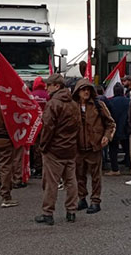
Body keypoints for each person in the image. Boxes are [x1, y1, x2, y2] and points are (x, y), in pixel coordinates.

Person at [35, 73, 81, 225]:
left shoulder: (53, 103)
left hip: (55, 148)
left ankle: (48, 213)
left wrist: (43, 146)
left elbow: (48, 127)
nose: (46, 88)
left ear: (56, 86)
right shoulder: (74, 104)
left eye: (48, 85)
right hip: (70, 147)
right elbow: (78, 126)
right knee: (71, 181)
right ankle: (71, 211)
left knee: (51, 182)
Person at [72, 79, 115, 214]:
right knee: (79, 175)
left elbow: (110, 124)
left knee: (96, 176)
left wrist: (107, 137)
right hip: (78, 148)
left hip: (94, 147)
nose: (86, 92)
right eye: (83, 89)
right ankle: (82, 198)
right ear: (77, 92)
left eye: (88, 89)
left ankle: (95, 201)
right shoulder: (72, 107)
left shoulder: (98, 105)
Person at [104, 83, 130, 176]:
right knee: (128, 148)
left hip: (114, 128)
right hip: (126, 128)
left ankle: (115, 169)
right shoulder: (128, 101)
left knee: (113, 149)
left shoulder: (110, 102)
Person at [30, 76, 49, 178]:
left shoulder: (31, 95)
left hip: (34, 124)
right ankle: (44, 168)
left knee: (35, 147)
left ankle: (37, 168)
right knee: (45, 146)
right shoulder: (47, 95)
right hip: (45, 124)